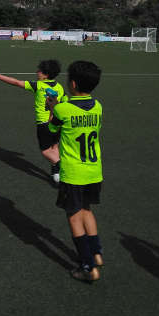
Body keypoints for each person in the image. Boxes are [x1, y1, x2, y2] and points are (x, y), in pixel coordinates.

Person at [47, 60, 103, 282]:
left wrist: (52, 108)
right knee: (86, 209)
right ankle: (96, 253)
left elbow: (52, 128)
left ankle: (87, 266)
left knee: (73, 216)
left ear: (72, 83)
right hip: (94, 171)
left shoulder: (63, 109)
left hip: (73, 173)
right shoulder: (98, 106)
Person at [0, 60, 64, 183]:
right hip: (57, 122)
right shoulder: (59, 87)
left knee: (46, 151)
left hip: (44, 124)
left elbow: (16, 82)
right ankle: (56, 171)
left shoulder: (38, 85)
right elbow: (64, 102)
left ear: (46, 75)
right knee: (54, 146)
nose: (37, 72)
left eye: (39, 70)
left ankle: (61, 165)